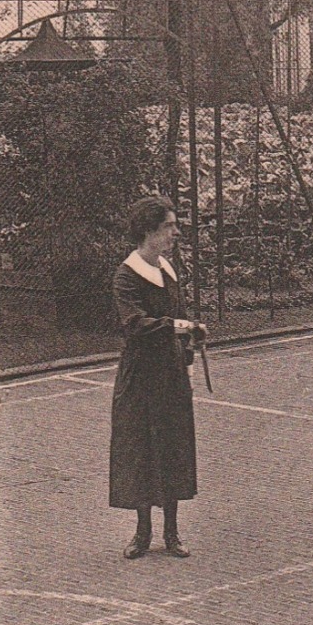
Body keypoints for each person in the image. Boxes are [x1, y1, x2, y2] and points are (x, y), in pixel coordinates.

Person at [109, 196, 204, 559]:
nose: (175, 233)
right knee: (141, 449)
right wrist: (181, 327)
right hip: (141, 377)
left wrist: (189, 364)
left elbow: (182, 321)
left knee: (173, 446)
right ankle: (142, 533)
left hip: (171, 372)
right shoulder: (126, 276)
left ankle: (172, 533)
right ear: (149, 230)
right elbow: (135, 325)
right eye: (169, 226)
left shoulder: (169, 269)